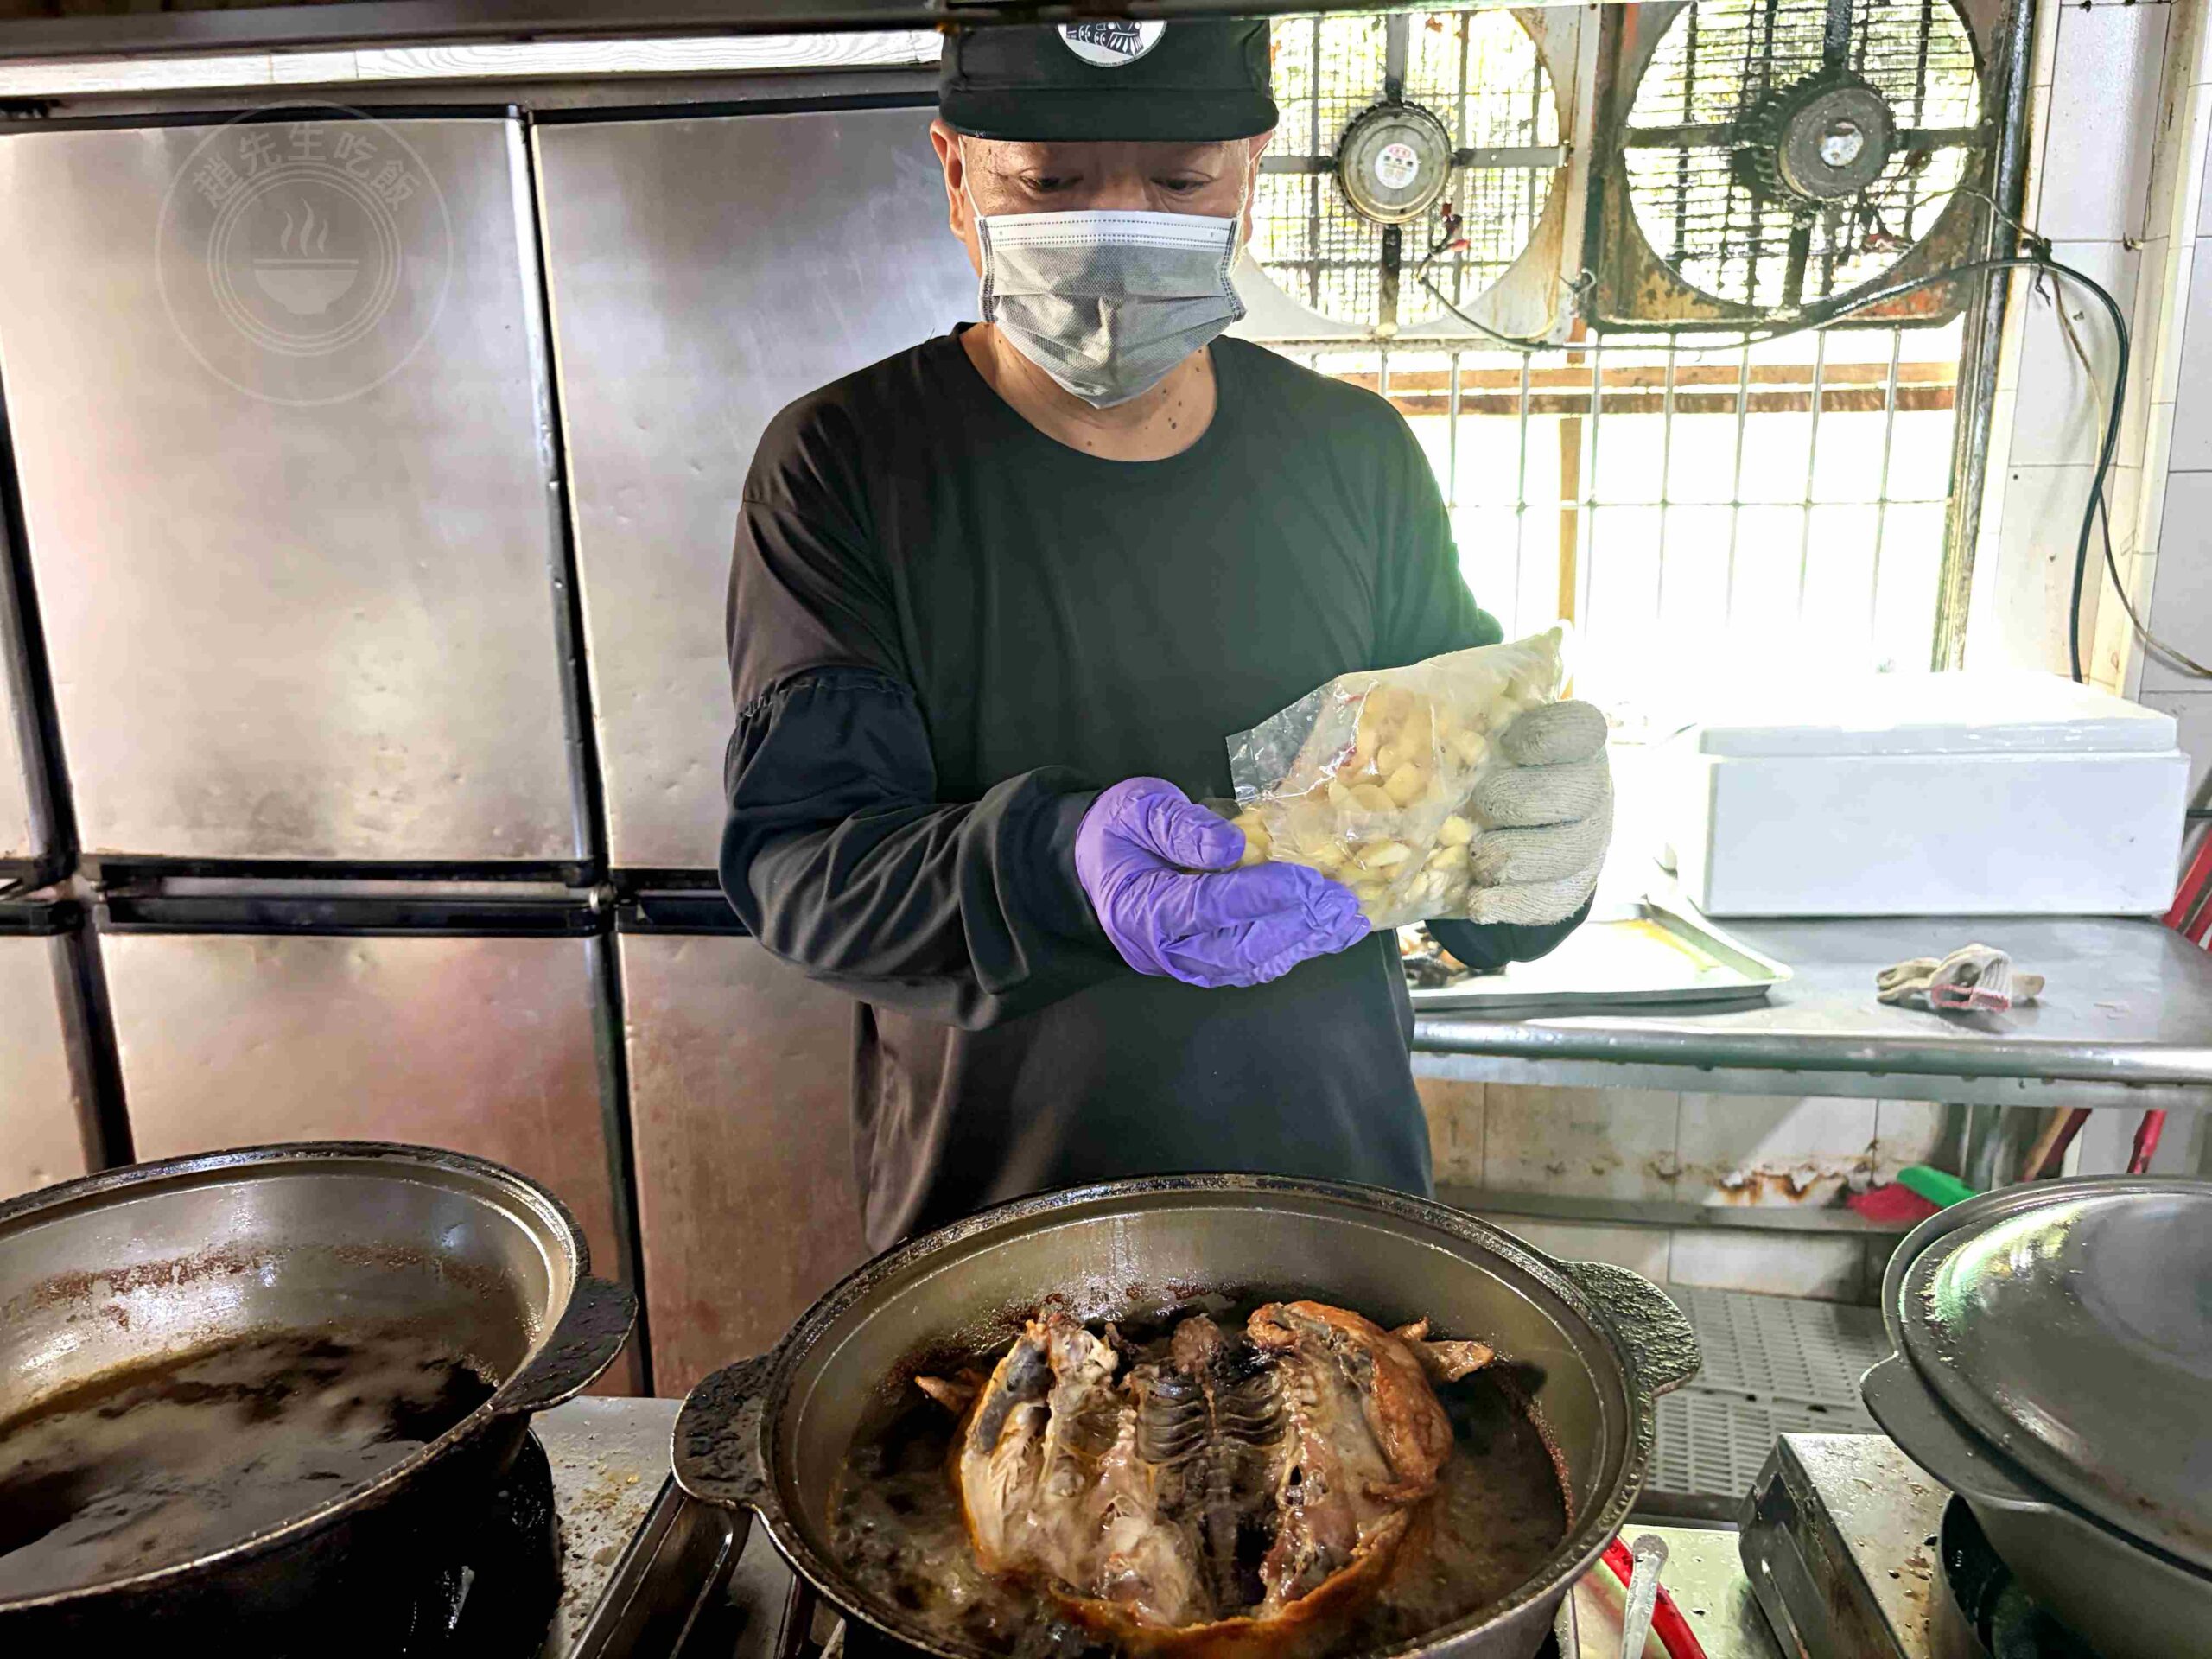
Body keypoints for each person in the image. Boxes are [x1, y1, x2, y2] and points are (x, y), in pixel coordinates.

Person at [720, 19, 1612, 1252]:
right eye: (1051, 183)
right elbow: (803, 873)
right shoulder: (850, 464)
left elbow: (1466, 864)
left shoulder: (1353, 459)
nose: (1118, 226)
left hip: (1337, 1215)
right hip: (1003, 1243)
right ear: (955, 172)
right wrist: (1055, 863)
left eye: (1181, 182)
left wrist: (1544, 847)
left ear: (1250, 170)